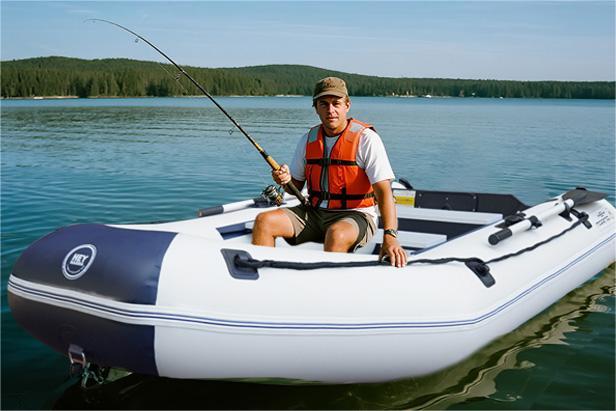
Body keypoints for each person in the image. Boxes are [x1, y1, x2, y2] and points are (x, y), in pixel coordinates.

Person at [251, 77, 407, 267]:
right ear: (316, 108)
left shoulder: (367, 139)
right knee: (264, 221)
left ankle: (328, 284)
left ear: (347, 105)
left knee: (337, 233)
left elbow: (384, 192)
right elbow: (294, 188)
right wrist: (285, 180)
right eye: (323, 104)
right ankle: (263, 278)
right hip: (314, 213)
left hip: (357, 215)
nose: (330, 110)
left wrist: (390, 236)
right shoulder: (308, 139)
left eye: (336, 103)